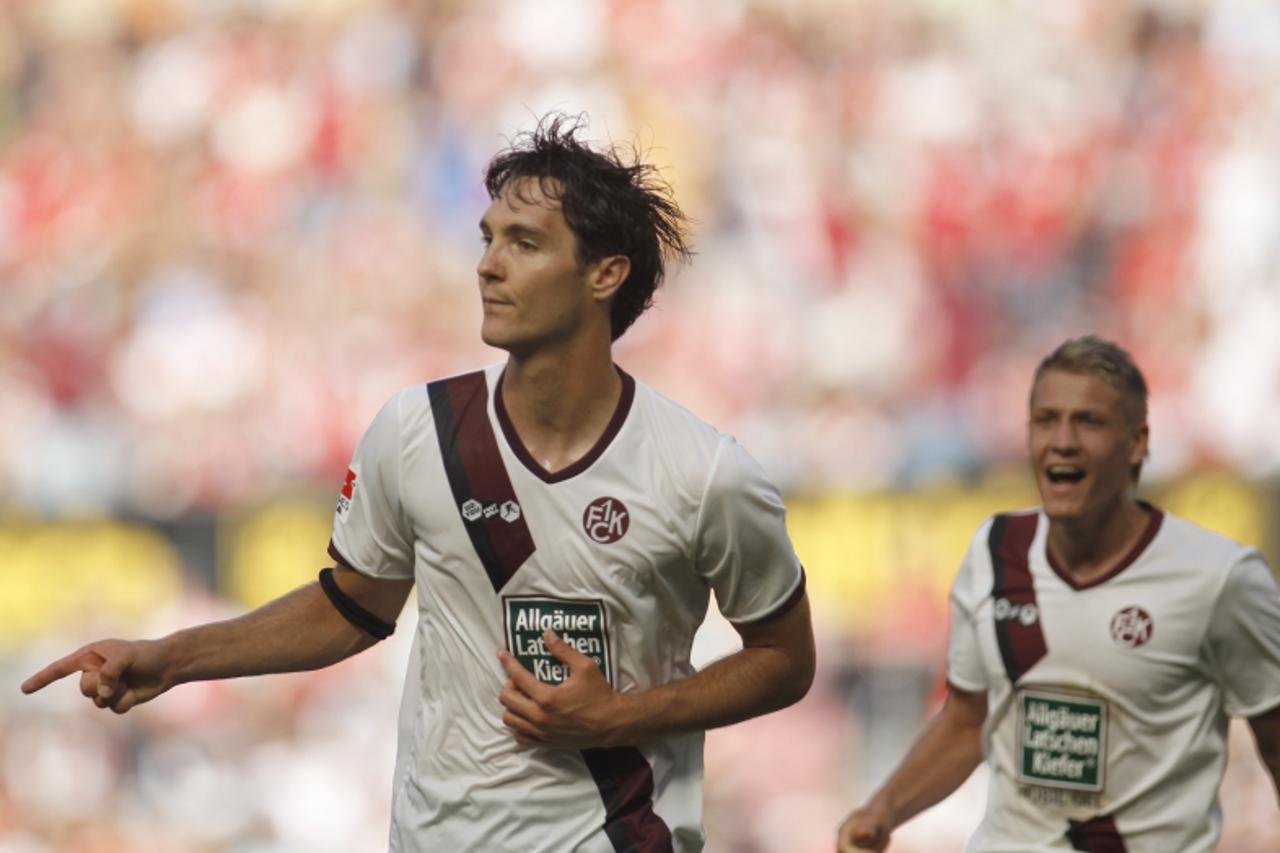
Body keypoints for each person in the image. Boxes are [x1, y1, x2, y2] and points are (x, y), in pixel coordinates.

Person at [22, 114, 815, 853]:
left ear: (605, 273)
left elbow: (785, 658)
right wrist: (172, 658)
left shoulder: (704, 471)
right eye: (487, 237)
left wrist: (620, 716)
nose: (488, 264)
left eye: (526, 243)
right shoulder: (417, 430)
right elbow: (351, 606)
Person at [837, 335, 1280, 852]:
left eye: (1088, 422)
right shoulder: (994, 551)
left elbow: (1273, 736)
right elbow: (966, 722)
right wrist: (883, 810)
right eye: (1046, 421)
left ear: (1137, 442)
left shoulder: (1220, 577)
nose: (1062, 440)